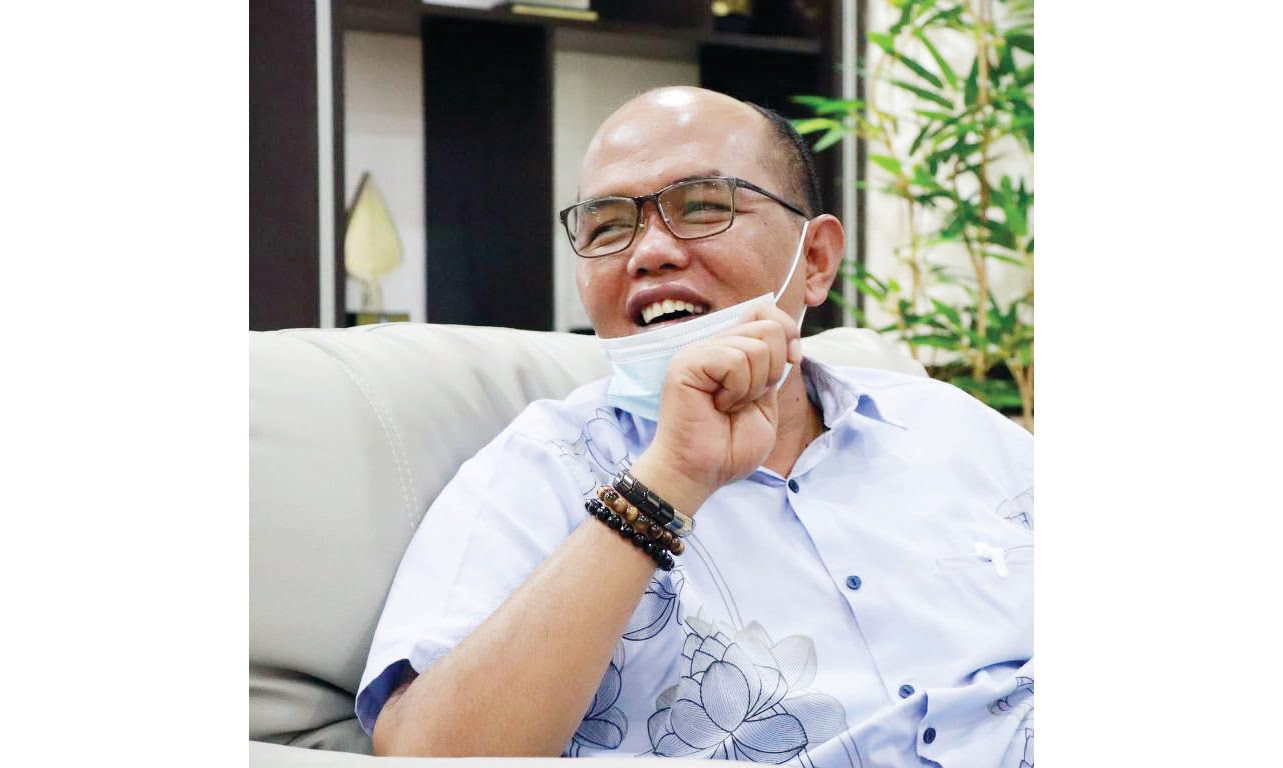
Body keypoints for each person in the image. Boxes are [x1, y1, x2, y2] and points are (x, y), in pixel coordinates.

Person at [357, 86, 1034, 767]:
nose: (649, 252)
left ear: (816, 260)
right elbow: (426, 753)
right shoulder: (538, 468)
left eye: (704, 207)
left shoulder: (950, 426)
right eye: (607, 228)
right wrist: (667, 482)